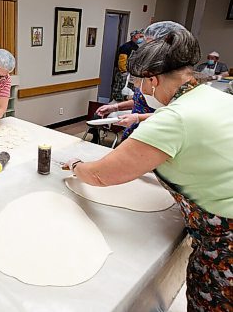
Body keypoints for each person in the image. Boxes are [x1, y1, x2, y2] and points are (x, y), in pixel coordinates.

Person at [63, 29, 233, 311]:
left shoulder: (173, 119)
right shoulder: (217, 97)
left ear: (152, 79)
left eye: (140, 82)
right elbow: (188, 121)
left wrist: (78, 165)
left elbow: (100, 175)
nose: (140, 88)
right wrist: (141, 115)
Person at [95, 22, 187, 141]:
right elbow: (141, 101)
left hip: (155, 135)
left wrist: (138, 118)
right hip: (137, 132)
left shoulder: (177, 83)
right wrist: (115, 107)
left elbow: (172, 116)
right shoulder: (151, 72)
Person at [111, 29, 144, 102]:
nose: (142, 38)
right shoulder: (126, 47)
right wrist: (124, 71)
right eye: (140, 36)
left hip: (130, 73)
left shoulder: (136, 47)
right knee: (120, 89)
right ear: (135, 36)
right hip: (124, 73)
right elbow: (122, 61)